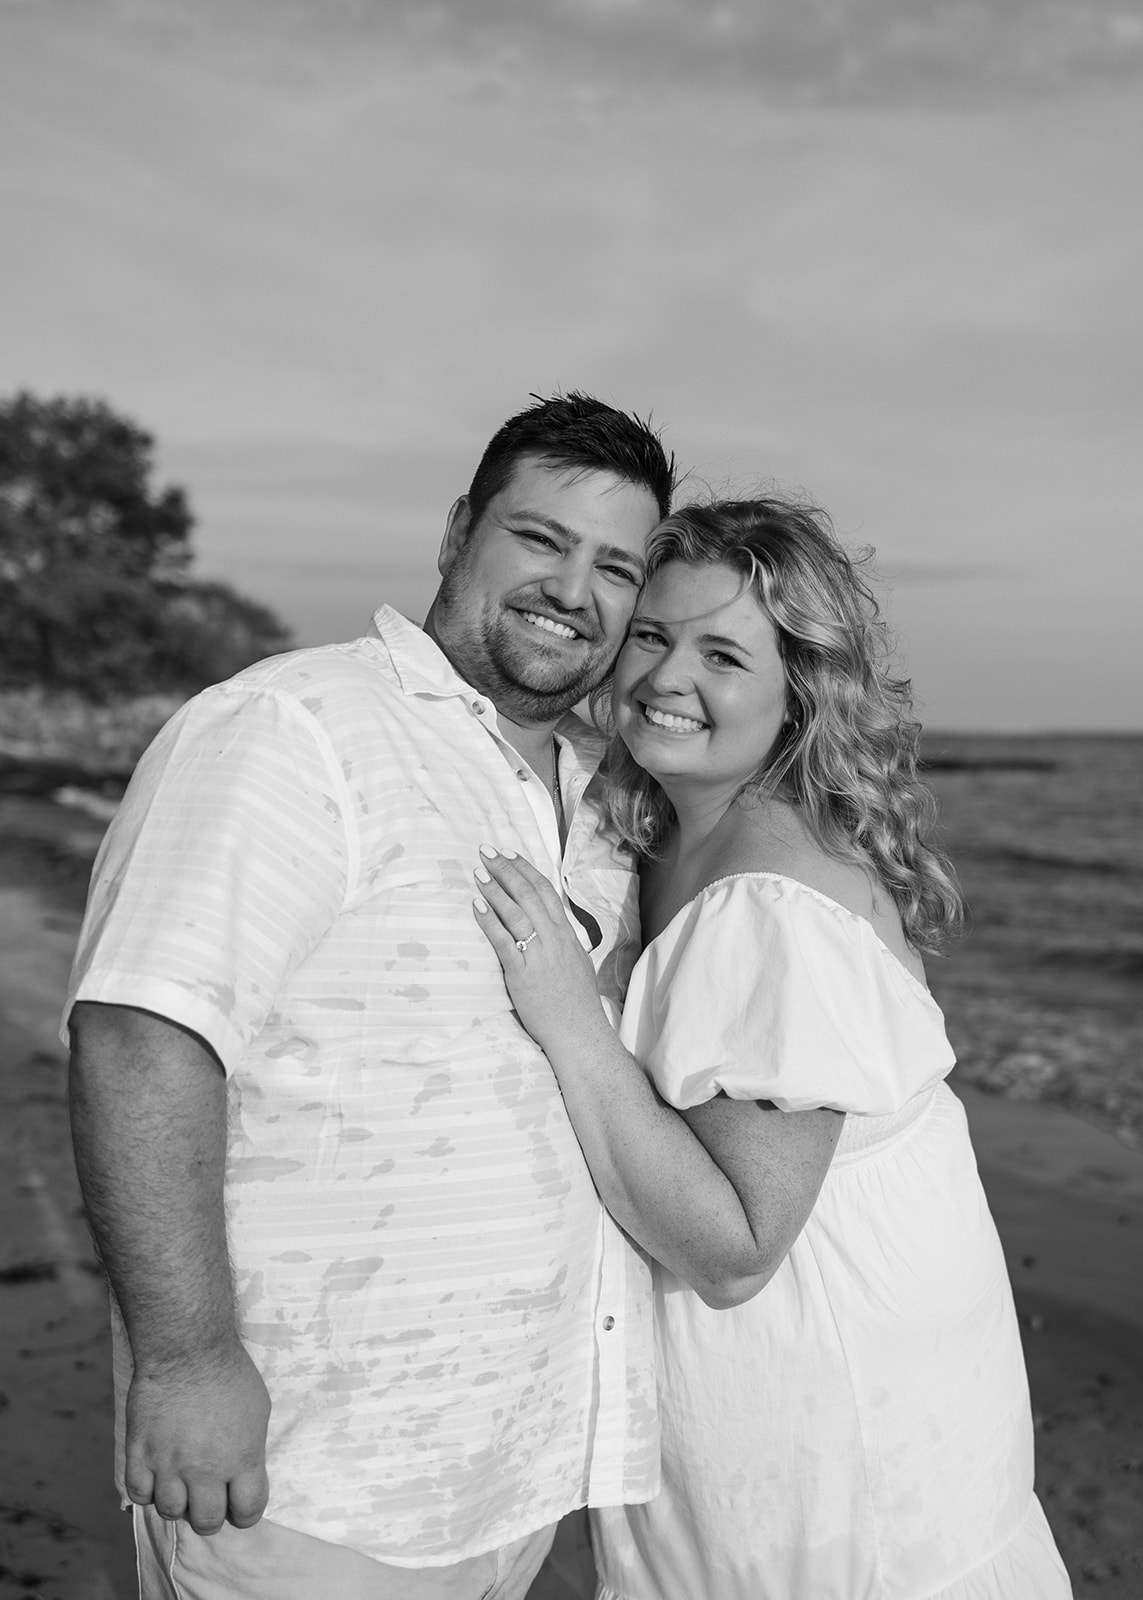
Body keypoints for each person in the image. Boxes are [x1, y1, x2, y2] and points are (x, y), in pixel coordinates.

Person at [64, 392, 675, 1600]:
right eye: (540, 539)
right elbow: (142, 1037)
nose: (575, 589)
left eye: (617, 566)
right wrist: (187, 1361)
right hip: (310, 1481)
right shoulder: (297, 726)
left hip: (512, 1470)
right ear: (459, 532)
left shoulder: (597, 793)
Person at [474, 496, 1073, 1599]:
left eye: (722, 654)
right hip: (800, 1412)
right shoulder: (680, 830)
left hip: (841, 1443)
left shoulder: (769, 904)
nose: (665, 678)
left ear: (800, 689)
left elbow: (737, 1245)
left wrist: (566, 1014)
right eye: (651, 634)